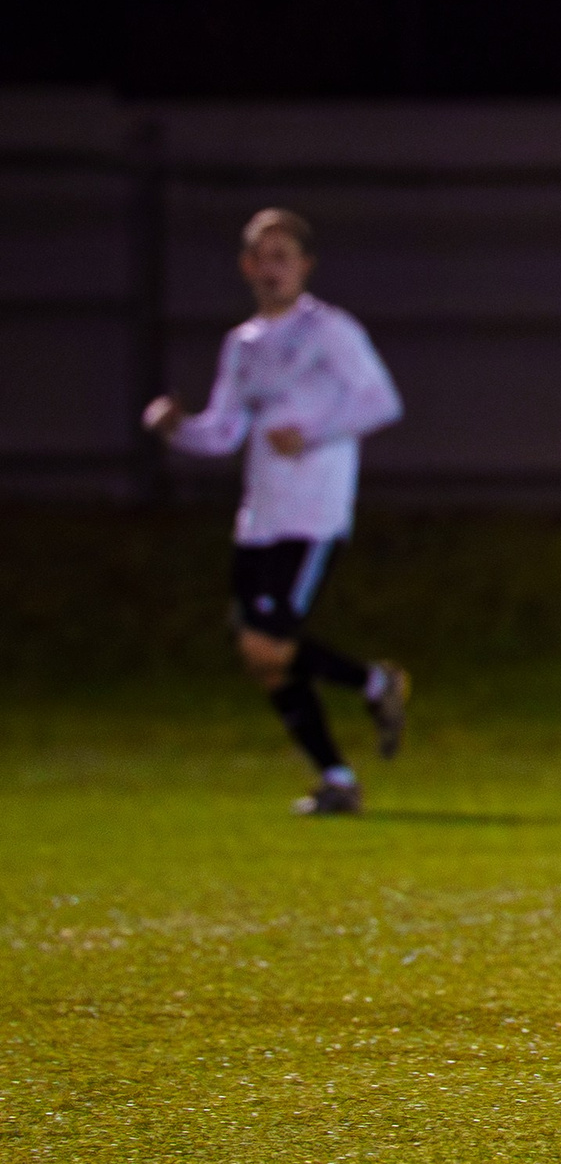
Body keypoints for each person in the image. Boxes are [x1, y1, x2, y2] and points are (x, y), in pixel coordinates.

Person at [144, 208, 408, 816]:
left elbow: (379, 401)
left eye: (283, 256)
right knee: (263, 660)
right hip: (258, 518)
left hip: (312, 516)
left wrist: (313, 431)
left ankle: (374, 685)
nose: (271, 268)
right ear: (246, 267)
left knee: (267, 647)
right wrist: (175, 428)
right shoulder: (243, 345)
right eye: (261, 257)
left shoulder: (331, 330)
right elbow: (222, 432)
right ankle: (338, 776)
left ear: (304, 266)